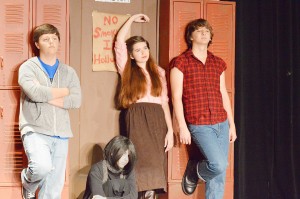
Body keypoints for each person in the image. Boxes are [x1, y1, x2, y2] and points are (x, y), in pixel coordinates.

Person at [170, 18, 237, 199]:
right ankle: (195, 170)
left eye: (207, 30)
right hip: (199, 124)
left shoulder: (218, 63)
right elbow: (176, 97)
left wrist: (232, 124)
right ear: (190, 36)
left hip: (221, 122)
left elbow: (223, 94)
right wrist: (182, 126)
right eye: (199, 30)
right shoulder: (180, 62)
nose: (204, 33)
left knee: (219, 176)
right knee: (218, 165)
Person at [18, 23, 81, 199]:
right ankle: (27, 182)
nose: (52, 42)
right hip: (35, 127)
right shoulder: (28, 67)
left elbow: (76, 100)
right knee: (41, 167)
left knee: (54, 187)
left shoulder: (69, 72)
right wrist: (64, 92)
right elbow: (35, 93)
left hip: (61, 132)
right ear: (37, 44)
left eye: (54, 38)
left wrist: (46, 95)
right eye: (46, 39)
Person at [114, 14, 174, 198]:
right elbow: (119, 42)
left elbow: (164, 102)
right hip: (137, 116)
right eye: (138, 50)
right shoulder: (127, 69)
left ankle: (150, 196)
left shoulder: (159, 72)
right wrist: (132, 19)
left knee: (156, 164)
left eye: (145, 48)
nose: (143, 52)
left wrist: (170, 131)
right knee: (139, 162)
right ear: (131, 55)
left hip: (157, 118)